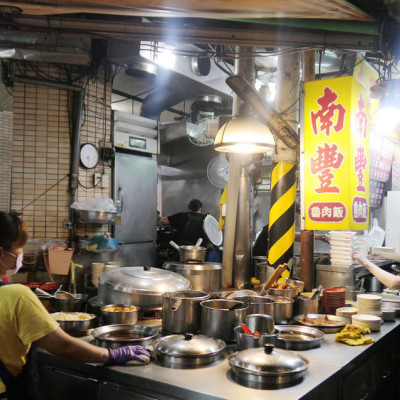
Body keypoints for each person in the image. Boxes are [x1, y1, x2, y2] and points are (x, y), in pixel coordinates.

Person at [0, 211, 151, 399]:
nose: (20, 254)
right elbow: (62, 346)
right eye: (18, 248)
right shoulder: (16, 295)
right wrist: (110, 355)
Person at [253, 224, 330, 257]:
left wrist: (320, 236)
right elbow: (296, 237)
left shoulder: (277, 223)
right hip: (262, 261)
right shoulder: (277, 225)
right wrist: (321, 237)